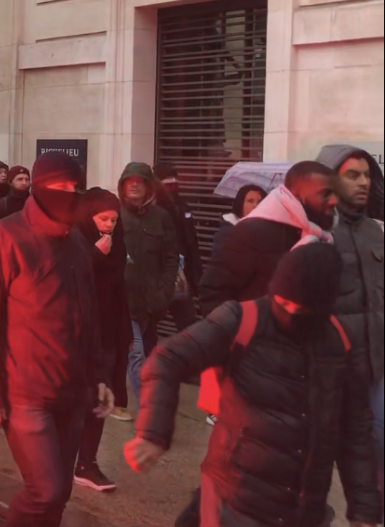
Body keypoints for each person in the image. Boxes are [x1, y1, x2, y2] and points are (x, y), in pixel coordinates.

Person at [127, 244, 380, 527]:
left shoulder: (339, 343)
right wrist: (153, 432)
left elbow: (355, 428)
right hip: (234, 503)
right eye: (284, 303)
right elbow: (167, 359)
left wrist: (364, 508)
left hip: (303, 510)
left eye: (302, 309)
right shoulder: (242, 319)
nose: (291, 313)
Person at [0, 152, 114, 527]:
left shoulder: (78, 241)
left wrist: (99, 375)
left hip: (73, 391)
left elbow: (89, 315)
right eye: (60, 187)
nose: (70, 194)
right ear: (37, 186)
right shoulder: (2, 237)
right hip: (26, 394)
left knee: (60, 493)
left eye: (76, 187)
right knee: (43, 490)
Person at [317, 144, 384, 513]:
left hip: (377, 369)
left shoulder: (376, 230)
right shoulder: (315, 230)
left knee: (377, 455)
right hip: (332, 373)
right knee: (318, 462)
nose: (363, 182)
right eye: (352, 175)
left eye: (366, 174)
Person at [199, 161, 338, 314]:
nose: (334, 201)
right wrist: (242, 334)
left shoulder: (325, 235)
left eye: (335, 193)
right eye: (325, 193)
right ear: (297, 195)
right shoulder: (251, 232)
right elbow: (213, 294)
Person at [71, 188, 131, 492]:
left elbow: (118, 287)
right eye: (102, 218)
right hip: (78, 334)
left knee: (99, 398)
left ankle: (87, 463)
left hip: (107, 332)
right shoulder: (74, 239)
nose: (108, 225)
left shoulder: (117, 243)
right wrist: (95, 255)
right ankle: (65, 460)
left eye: (113, 219)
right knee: (73, 399)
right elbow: (71, 282)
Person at [118, 162, 180, 402]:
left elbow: (171, 256)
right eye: (130, 180)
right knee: (136, 354)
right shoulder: (116, 214)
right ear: (123, 185)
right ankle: (149, 413)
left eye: (140, 180)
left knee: (143, 352)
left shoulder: (161, 217)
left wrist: (164, 290)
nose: (134, 184)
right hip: (123, 301)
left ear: (148, 186)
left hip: (151, 301)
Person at [152, 164, 201, 332]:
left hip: (181, 276)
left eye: (175, 181)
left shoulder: (182, 207)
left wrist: (195, 275)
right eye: (167, 182)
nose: (172, 186)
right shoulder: (151, 211)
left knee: (188, 323)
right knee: (150, 323)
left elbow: (191, 243)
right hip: (158, 278)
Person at [211, 184, 265, 258]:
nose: (255, 206)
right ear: (240, 204)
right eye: (250, 201)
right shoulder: (227, 232)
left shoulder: (267, 229)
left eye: (259, 202)